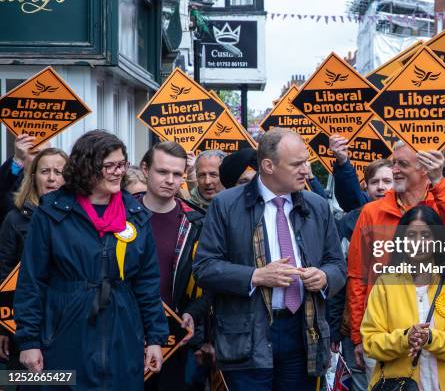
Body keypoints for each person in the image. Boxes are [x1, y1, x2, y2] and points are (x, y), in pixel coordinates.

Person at [14, 130, 168, 390]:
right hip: (63, 335)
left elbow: (147, 283)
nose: (118, 172)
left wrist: (155, 338)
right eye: (109, 166)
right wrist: (28, 342)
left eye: (122, 164)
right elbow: (32, 281)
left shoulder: (136, 215)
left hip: (123, 333)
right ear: (87, 167)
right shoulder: (52, 212)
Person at [193, 128, 346, 390]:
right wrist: (257, 276)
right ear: (268, 166)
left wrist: (324, 277)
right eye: (297, 164)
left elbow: (338, 265)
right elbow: (205, 268)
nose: (306, 170)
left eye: (306, 162)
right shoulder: (226, 204)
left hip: (304, 334)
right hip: (247, 336)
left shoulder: (317, 206)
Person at [347, 141, 445, 381]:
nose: (394, 170)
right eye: (393, 163)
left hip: (440, 332)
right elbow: (357, 276)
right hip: (386, 335)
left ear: (424, 169)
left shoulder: (440, 204)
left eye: (402, 164)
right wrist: (358, 336)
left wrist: (439, 182)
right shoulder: (372, 212)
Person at [361, 205, 445, 391]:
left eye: (425, 235)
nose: (418, 242)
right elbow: (370, 342)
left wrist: (431, 338)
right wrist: (405, 339)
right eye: (411, 235)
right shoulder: (385, 284)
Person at [138, 141, 210, 390]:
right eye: (162, 172)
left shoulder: (196, 222)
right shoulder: (120, 215)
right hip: (124, 332)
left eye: (177, 174)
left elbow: (207, 279)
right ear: (145, 170)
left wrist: (193, 312)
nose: (170, 179)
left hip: (173, 336)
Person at [327, 158, 393, 391]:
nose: (381, 187)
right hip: (357, 324)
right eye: (374, 181)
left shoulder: (410, 220)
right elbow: (342, 279)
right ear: (365, 186)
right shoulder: (349, 222)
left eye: (388, 181)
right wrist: (336, 328)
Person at [0, 147, 68, 367]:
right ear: (33, 176)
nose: (51, 178)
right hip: (25, 323)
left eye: (59, 172)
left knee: (65, 381)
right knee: (27, 381)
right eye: (45, 171)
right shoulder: (14, 218)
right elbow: (3, 273)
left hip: (68, 320)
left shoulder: (78, 217)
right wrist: (3, 326)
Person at [0, 135, 49, 224]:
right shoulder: (11, 182)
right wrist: (18, 159)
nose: (41, 158)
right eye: (35, 153)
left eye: (46, 153)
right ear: (24, 157)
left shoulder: (58, 181)